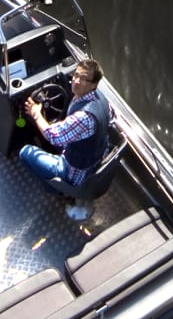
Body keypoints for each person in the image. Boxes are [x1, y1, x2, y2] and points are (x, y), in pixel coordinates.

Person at [19, 58, 111, 221]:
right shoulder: (102, 99)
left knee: (25, 152)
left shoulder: (84, 117)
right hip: (96, 157)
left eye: (84, 79)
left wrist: (36, 113)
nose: (76, 81)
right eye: (76, 75)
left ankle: (59, 191)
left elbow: (53, 136)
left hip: (75, 172)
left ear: (93, 84)